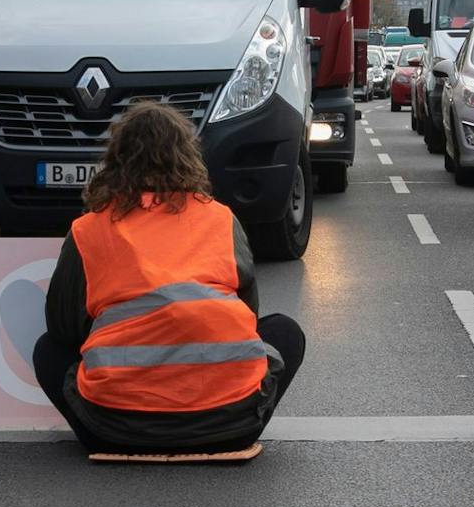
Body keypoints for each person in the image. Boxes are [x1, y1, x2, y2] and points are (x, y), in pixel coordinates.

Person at [32, 101, 306, 454]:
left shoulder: (89, 229)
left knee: (47, 350)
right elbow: (248, 320)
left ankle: (116, 412)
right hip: (231, 425)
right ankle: (226, 416)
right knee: (285, 331)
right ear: (188, 157)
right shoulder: (219, 219)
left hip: (112, 428)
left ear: (115, 161)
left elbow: (62, 328)